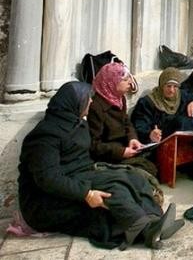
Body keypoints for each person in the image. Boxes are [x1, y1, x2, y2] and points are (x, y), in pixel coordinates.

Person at [18, 81, 183, 249]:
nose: (91, 101)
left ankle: (155, 221)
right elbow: (48, 179)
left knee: (133, 176)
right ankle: (146, 231)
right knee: (113, 193)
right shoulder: (45, 135)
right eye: (87, 98)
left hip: (80, 175)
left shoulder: (77, 123)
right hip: (46, 202)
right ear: (74, 103)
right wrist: (86, 194)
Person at [88, 62, 157, 176]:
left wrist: (132, 138)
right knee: (144, 171)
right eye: (125, 80)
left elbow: (127, 123)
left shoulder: (119, 99)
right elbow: (94, 145)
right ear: (111, 82)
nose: (130, 82)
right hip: (109, 156)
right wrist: (121, 152)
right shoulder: (96, 107)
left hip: (124, 148)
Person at [131, 68, 193, 144]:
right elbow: (139, 125)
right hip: (158, 142)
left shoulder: (182, 96)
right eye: (168, 86)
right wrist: (149, 134)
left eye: (175, 86)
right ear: (162, 85)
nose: (171, 90)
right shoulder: (147, 102)